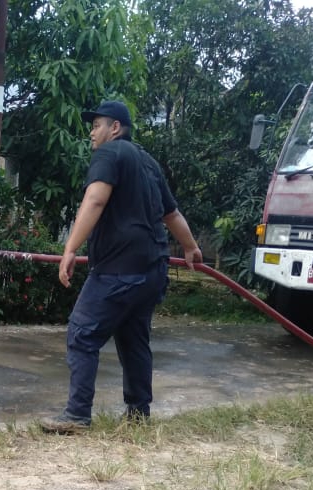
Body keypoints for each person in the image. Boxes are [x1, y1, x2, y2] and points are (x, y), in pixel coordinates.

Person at [41, 100, 203, 433]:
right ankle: (138, 413)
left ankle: (76, 415)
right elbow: (171, 214)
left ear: (115, 128)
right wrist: (191, 247)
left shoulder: (109, 154)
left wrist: (69, 249)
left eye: (97, 125)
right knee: (133, 339)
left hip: (119, 268)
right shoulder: (148, 162)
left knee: (82, 334)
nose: (91, 132)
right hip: (152, 270)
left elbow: (95, 199)